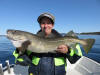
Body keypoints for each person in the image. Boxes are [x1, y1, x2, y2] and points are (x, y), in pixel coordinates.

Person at [13, 12, 83, 75]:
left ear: (52, 25)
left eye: (48, 23)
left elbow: (76, 58)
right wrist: (20, 49)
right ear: (40, 25)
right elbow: (22, 62)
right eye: (43, 23)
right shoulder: (30, 41)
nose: (46, 26)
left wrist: (68, 51)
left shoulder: (64, 39)